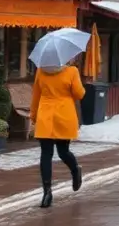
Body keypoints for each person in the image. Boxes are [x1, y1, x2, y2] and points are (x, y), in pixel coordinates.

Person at [30, 58, 85, 208]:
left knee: (47, 154)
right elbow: (79, 94)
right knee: (61, 152)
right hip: (64, 114)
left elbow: (36, 95)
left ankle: (47, 192)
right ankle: (73, 172)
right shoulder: (72, 71)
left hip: (45, 115)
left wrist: (33, 116)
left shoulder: (41, 70)